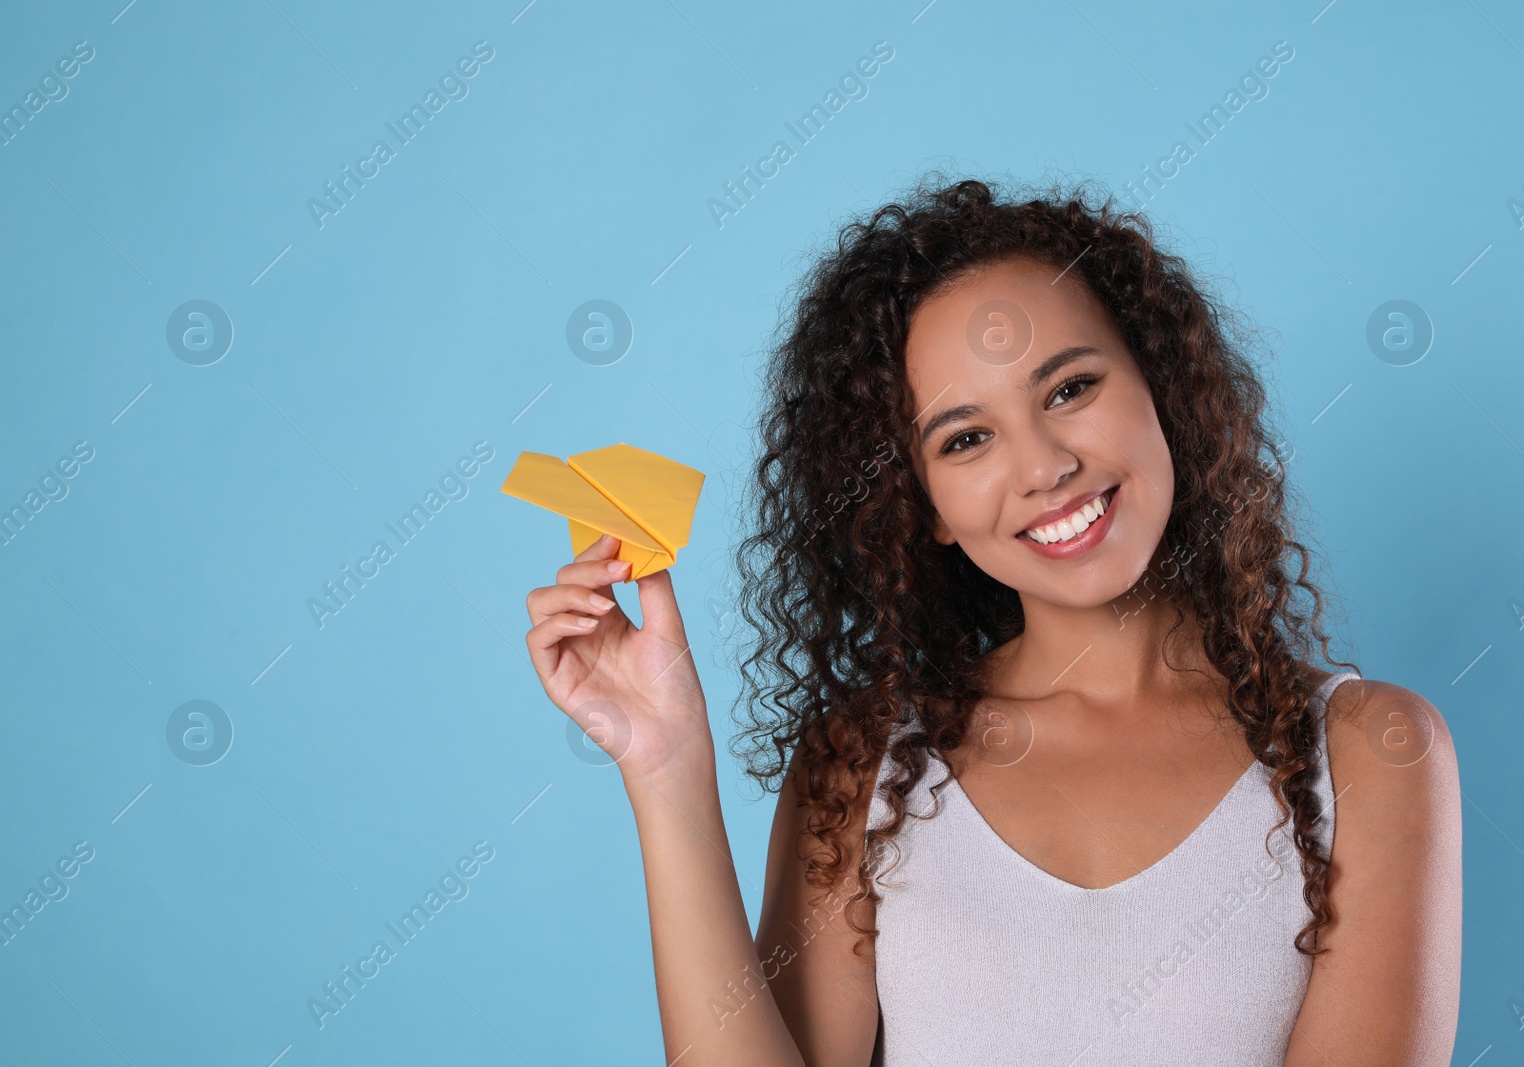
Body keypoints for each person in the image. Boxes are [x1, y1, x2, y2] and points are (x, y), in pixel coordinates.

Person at [521, 175, 1462, 1065]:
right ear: (921, 501)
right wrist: (667, 767)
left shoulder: (1371, 752)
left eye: (1070, 389)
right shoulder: (865, 763)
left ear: (1161, 389)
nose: (1044, 464)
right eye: (966, 438)